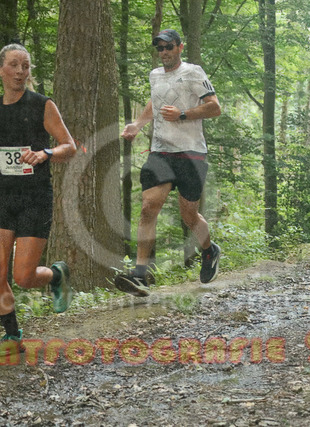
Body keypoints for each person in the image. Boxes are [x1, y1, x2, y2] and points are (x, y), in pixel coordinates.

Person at [0, 43, 77, 356]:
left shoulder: (42, 105)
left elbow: (69, 147)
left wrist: (45, 153)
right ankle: (12, 336)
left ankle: (56, 275)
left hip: (35, 196)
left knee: (23, 276)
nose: (21, 72)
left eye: (26, 66)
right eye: (14, 65)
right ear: (0, 70)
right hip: (3, 195)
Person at [116, 29, 221, 297]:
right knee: (148, 208)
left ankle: (209, 250)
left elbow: (214, 107)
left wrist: (183, 114)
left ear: (179, 47)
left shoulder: (193, 72)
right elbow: (155, 102)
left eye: (169, 47)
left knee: (189, 215)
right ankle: (140, 275)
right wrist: (137, 124)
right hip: (161, 152)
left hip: (191, 153)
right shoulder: (155, 75)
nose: (164, 52)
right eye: (160, 48)